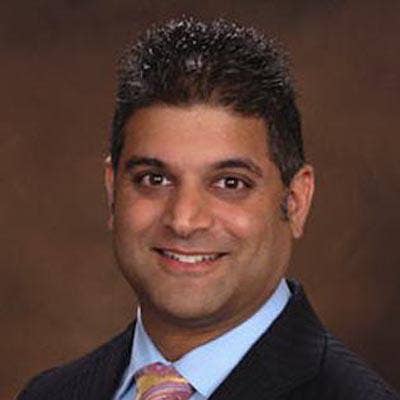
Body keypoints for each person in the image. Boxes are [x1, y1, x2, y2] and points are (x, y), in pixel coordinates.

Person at [17, 16, 399, 400]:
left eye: (230, 183)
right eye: (154, 179)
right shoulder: (48, 394)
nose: (184, 220)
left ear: (296, 201)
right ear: (112, 191)